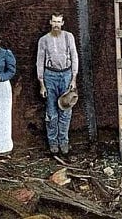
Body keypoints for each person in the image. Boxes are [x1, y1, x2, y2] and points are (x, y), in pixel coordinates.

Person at [36, 12, 78, 155]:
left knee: (65, 110)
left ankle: (64, 141)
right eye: (54, 22)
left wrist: (73, 79)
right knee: (51, 112)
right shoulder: (44, 40)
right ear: (50, 22)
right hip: (50, 76)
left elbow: (74, 57)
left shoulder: (69, 37)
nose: (56, 25)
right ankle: (53, 143)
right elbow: (39, 61)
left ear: (62, 23)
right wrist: (41, 82)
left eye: (59, 22)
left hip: (66, 75)